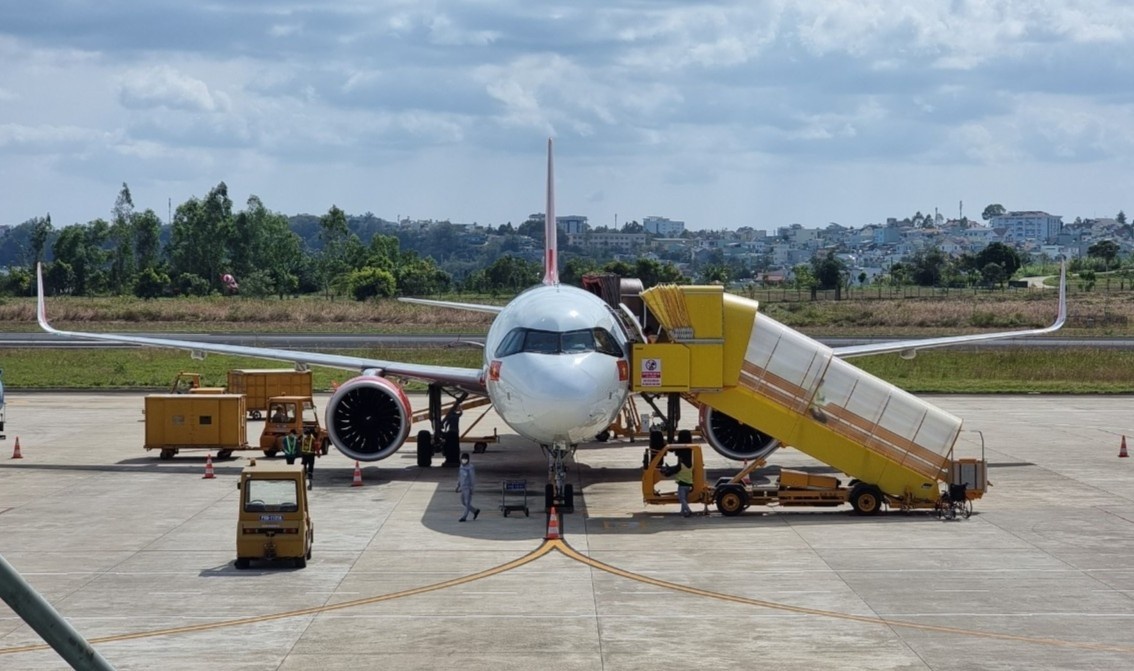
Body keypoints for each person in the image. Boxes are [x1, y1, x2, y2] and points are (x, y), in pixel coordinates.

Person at [456, 452, 480, 522]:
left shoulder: (470, 467)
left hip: (468, 487)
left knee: (467, 502)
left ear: (468, 460)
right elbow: (460, 476)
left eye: (465, 459)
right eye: (463, 459)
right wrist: (458, 485)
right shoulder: (461, 467)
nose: (464, 460)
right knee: (463, 502)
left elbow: (472, 478)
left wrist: (472, 488)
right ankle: (475, 511)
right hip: (462, 487)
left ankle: (464, 517)